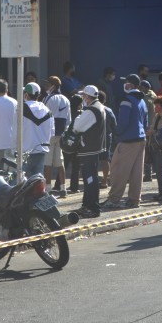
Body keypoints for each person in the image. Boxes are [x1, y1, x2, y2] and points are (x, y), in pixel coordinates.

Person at [104, 74, 148, 209]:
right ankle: (134, 200)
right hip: (141, 138)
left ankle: (114, 199)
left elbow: (123, 122)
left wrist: (116, 132)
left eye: (127, 83)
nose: (125, 85)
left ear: (131, 85)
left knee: (118, 169)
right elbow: (146, 122)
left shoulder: (126, 100)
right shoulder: (142, 100)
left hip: (128, 140)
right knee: (137, 172)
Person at [71, 85, 107, 218]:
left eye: (83, 96)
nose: (82, 98)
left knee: (90, 179)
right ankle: (87, 205)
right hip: (95, 148)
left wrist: (80, 113)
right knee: (91, 178)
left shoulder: (91, 110)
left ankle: (92, 207)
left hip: (88, 149)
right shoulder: (100, 106)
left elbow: (77, 126)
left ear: (87, 96)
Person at [42, 76, 71, 197]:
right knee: (60, 161)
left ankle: (48, 188)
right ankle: (63, 188)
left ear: (53, 86)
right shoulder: (66, 99)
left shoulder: (48, 98)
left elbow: (44, 116)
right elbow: (69, 120)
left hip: (49, 133)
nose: (46, 86)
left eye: (48, 84)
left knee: (47, 162)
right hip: (61, 133)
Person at [20, 82, 53, 178]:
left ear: (26, 95)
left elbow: (15, 131)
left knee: (17, 181)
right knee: (37, 181)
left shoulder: (20, 109)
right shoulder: (47, 110)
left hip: (24, 152)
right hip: (41, 151)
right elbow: (52, 133)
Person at [96, 90, 117, 189]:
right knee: (105, 158)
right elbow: (114, 125)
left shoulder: (92, 109)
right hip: (107, 137)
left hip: (94, 137)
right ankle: (104, 181)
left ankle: (93, 180)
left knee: (93, 159)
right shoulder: (109, 110)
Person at [139, 80, 157, 182]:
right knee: (152, 150)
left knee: (146, 151)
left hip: (147, 128)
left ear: (145, 88)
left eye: (141, 87)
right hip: (154, 127)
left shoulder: (145, 99)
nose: (139, 89)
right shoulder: (154, 96)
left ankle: (148, 174)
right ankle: (152, 172)